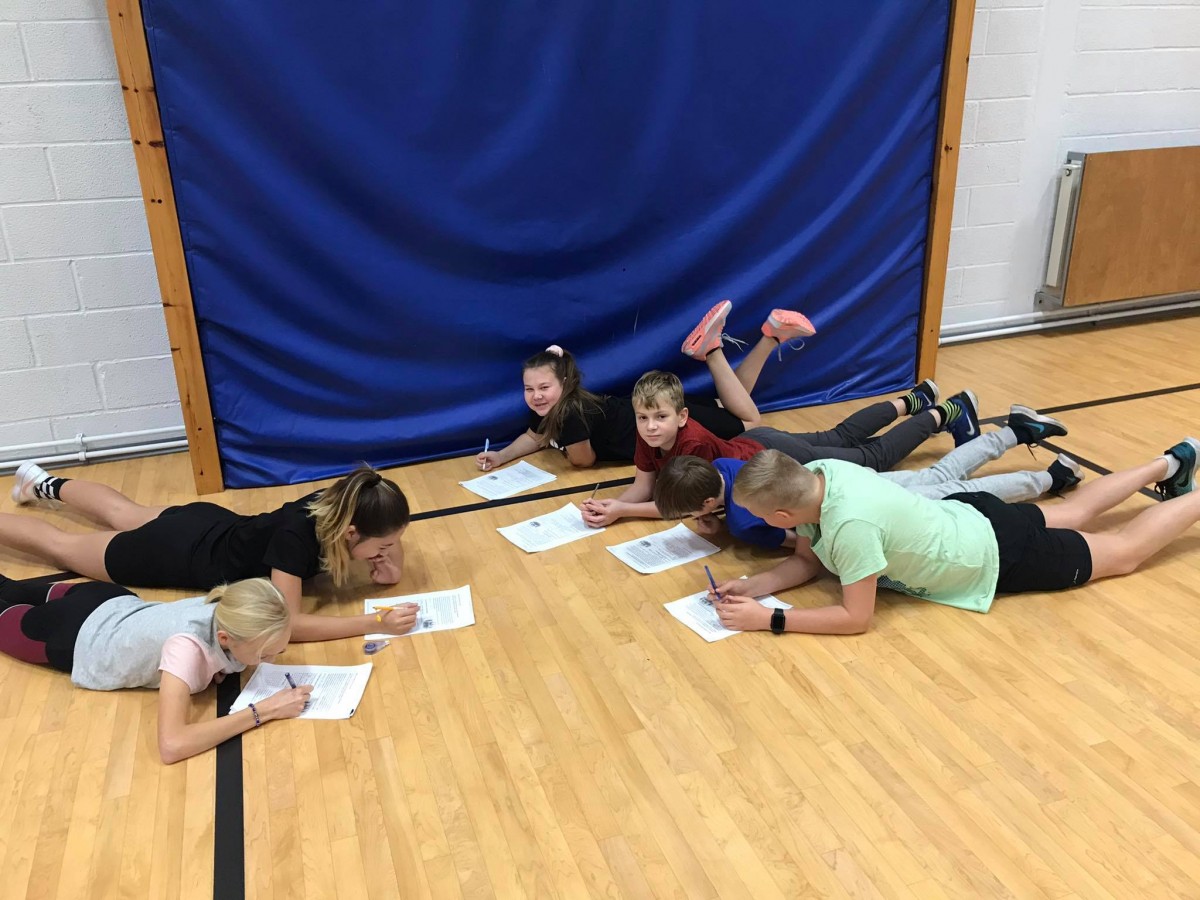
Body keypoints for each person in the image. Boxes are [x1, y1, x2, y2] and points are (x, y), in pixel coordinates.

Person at [704, 438, 1200, 636]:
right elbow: (809, 561)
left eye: (759, 515)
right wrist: (754, 587)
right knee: (1074, 510)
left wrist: (769, 620)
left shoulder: (852, 527)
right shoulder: (819, 473)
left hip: (994, 554)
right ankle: (1170, 461)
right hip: (971, 514)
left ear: (783, 513)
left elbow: (856, 618)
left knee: (1125, 553)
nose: (756, 521)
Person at [3, 463, 419, 642]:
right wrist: (374, 622)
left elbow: (388, 534)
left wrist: (389, 564)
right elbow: (287, 625)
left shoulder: (347, 500)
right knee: (61, 547)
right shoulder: (295, 539)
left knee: (123, 511)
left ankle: (40, 482)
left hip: (206, 523)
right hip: (173, 553)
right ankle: (38, 488)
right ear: (350, 533)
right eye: (383, 546)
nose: (389, 551)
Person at [579, 364, 983, 528]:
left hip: (770, 459)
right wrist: (614, 504)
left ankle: (945, 411)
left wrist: (622, 512)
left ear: (682, 416)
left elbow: (679, 503)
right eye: (643, 418)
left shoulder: (693, 444)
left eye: (660, 417)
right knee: (839, 437)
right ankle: (913, 400)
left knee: (871, 458)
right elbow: (644, 485)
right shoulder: (649, 437)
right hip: (756, 444)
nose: (651, 427)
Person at [653, 406, 1081, 548]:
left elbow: (802, 543)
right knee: (937, 474)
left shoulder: (745, 523)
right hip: (848, 481)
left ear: (707, 504)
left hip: (865, 508)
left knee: (958, 491)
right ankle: (1014, 431)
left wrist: (723, 533)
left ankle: (1052, 477)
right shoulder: (724, 467)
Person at [0, 575, 310, 764]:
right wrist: (265, 710)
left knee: (9, 587)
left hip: (106, 598)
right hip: (71, 635)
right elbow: (172, 745)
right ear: (225, 638)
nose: (272, 658)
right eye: (265, 653)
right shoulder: (185, 649)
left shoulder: (230, 607)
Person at [475, 300, 817, 471]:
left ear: (564, 384)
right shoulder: (554, 407)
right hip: (659, 411)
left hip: (661, 421)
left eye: (543, 388)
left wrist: (560, 445)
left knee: (751, 422)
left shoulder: (571, 415)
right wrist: (501, 455)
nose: (536, 396)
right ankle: (771, 336)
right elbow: (534, 436)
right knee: (733, 403)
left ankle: (711, 351)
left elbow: (583, 461)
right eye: (529, 389)